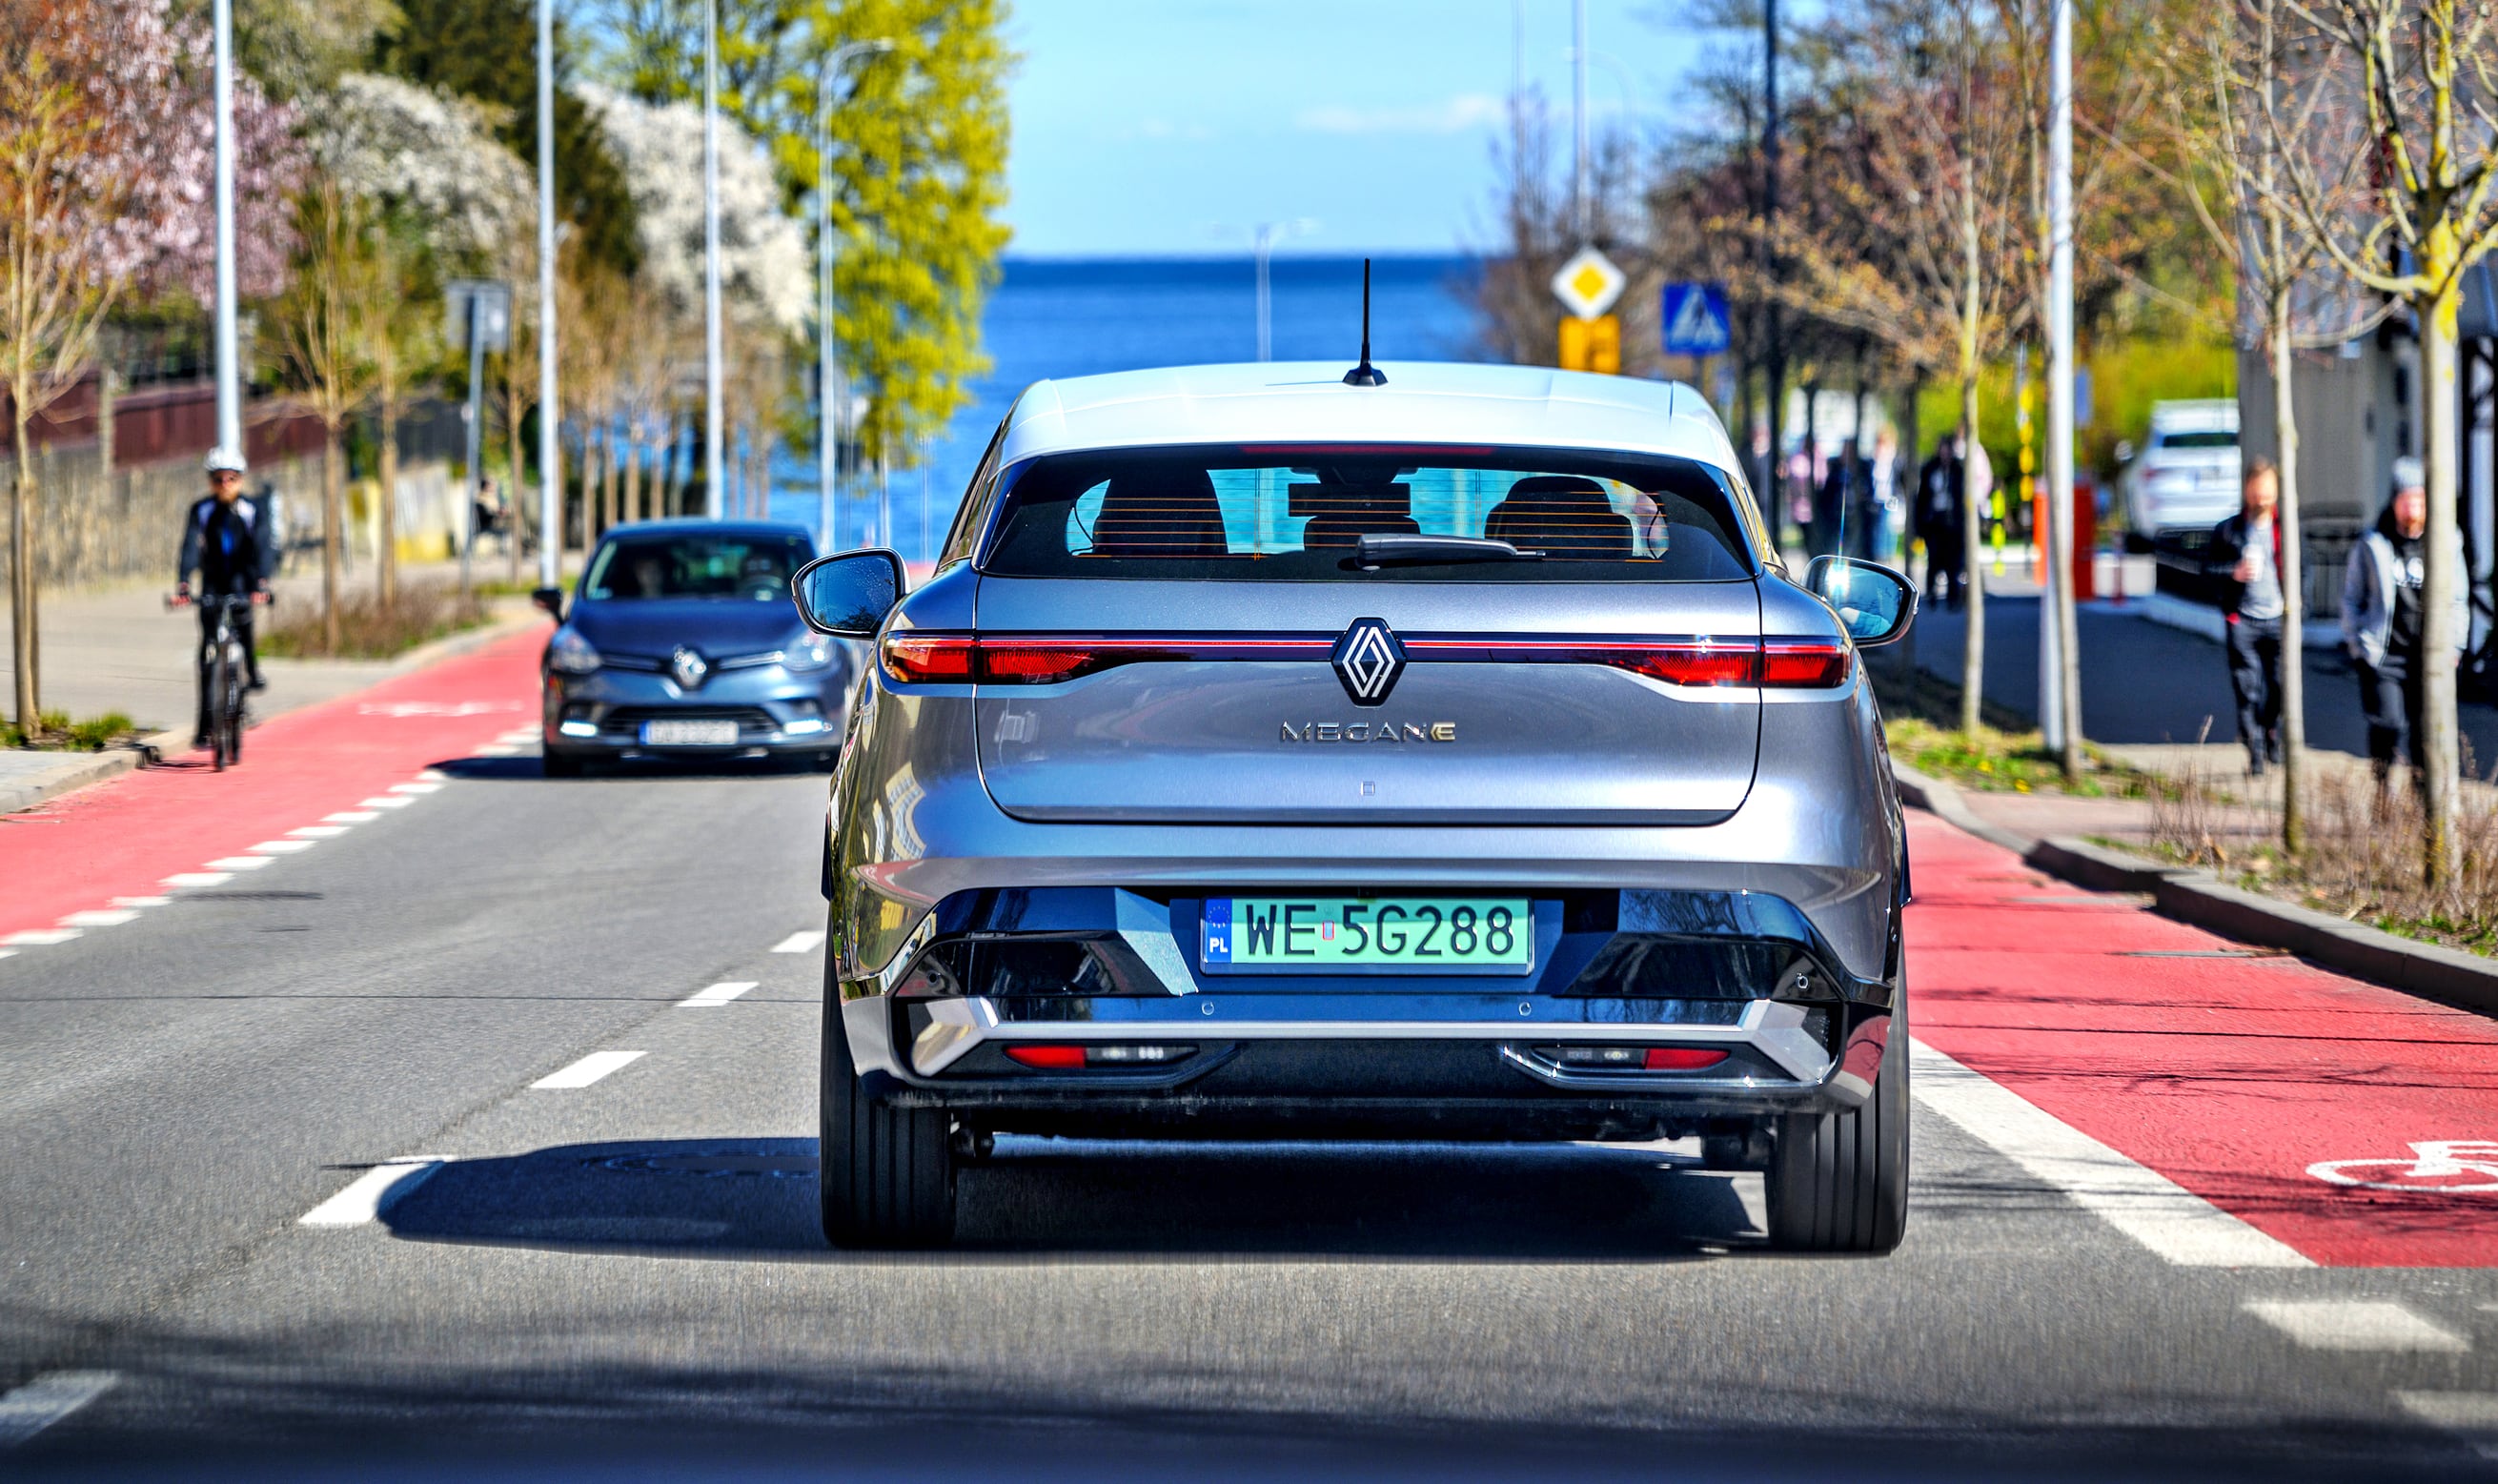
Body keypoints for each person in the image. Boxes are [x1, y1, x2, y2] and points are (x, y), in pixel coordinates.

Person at [2344, 457, 2467, 790]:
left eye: (2419, 500)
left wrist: (2454, 646)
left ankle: (2421, 807)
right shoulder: (2374, 542)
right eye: (2407, 499)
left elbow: (2458, 597)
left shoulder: (2445, 540)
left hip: (2427, 656)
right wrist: (2358, 646)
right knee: (2388, 723)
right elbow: (2352, 597)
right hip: (2384, 654)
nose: (2413, 507)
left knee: (2424, 732)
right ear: (2395, 500)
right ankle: (2382, 792)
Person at [176, 446, 278, 748]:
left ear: (241, 480)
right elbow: (190, 547)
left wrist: (262, 581)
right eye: (218, 479)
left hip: (243, 581)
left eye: (231, 478)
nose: (225, 485)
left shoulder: (252, 509)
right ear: (210, 481)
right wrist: (183, 582)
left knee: (245, 625)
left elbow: (263, 545)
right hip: (212, 583)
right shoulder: (202, 510)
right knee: (206, 651)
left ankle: (252, 670)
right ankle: (204, 724)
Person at [2204, 458, 2288, 776]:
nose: (2261, 497)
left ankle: (2271, 732)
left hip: (2278, 617)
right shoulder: (2229, 531)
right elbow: (2208, 571)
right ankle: (2254, 748)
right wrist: (2234, 573)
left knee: (2279, 685)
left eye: (2267, 490)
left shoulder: (2287, 530)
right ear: (2247, 490)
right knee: (2247, 687)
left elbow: (2303, 570)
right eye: (2256, 490)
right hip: (2243, 620)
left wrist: (2298, 605)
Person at [1915, 435, 1968, 608]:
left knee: (1953, 562)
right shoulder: (1930, 469)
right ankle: (1931, 593)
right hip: (1934, 521)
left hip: (1952, 522)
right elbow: (1922, 497)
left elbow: (1961, 495)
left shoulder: (1958, 470)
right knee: (1934, 558)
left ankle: (1953, 597)